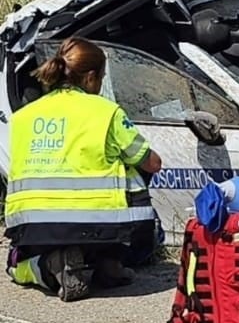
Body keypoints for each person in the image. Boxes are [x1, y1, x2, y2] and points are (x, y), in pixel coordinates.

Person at [4, 36, 163, 302]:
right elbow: (152, 164)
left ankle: (49, 265)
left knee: (16, 265)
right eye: (101, 78)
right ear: (90, 77)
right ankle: (110, 259)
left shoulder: (22, 117)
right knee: (133, 168)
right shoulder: (105, 112)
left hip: (35, 224)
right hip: (103, 225)